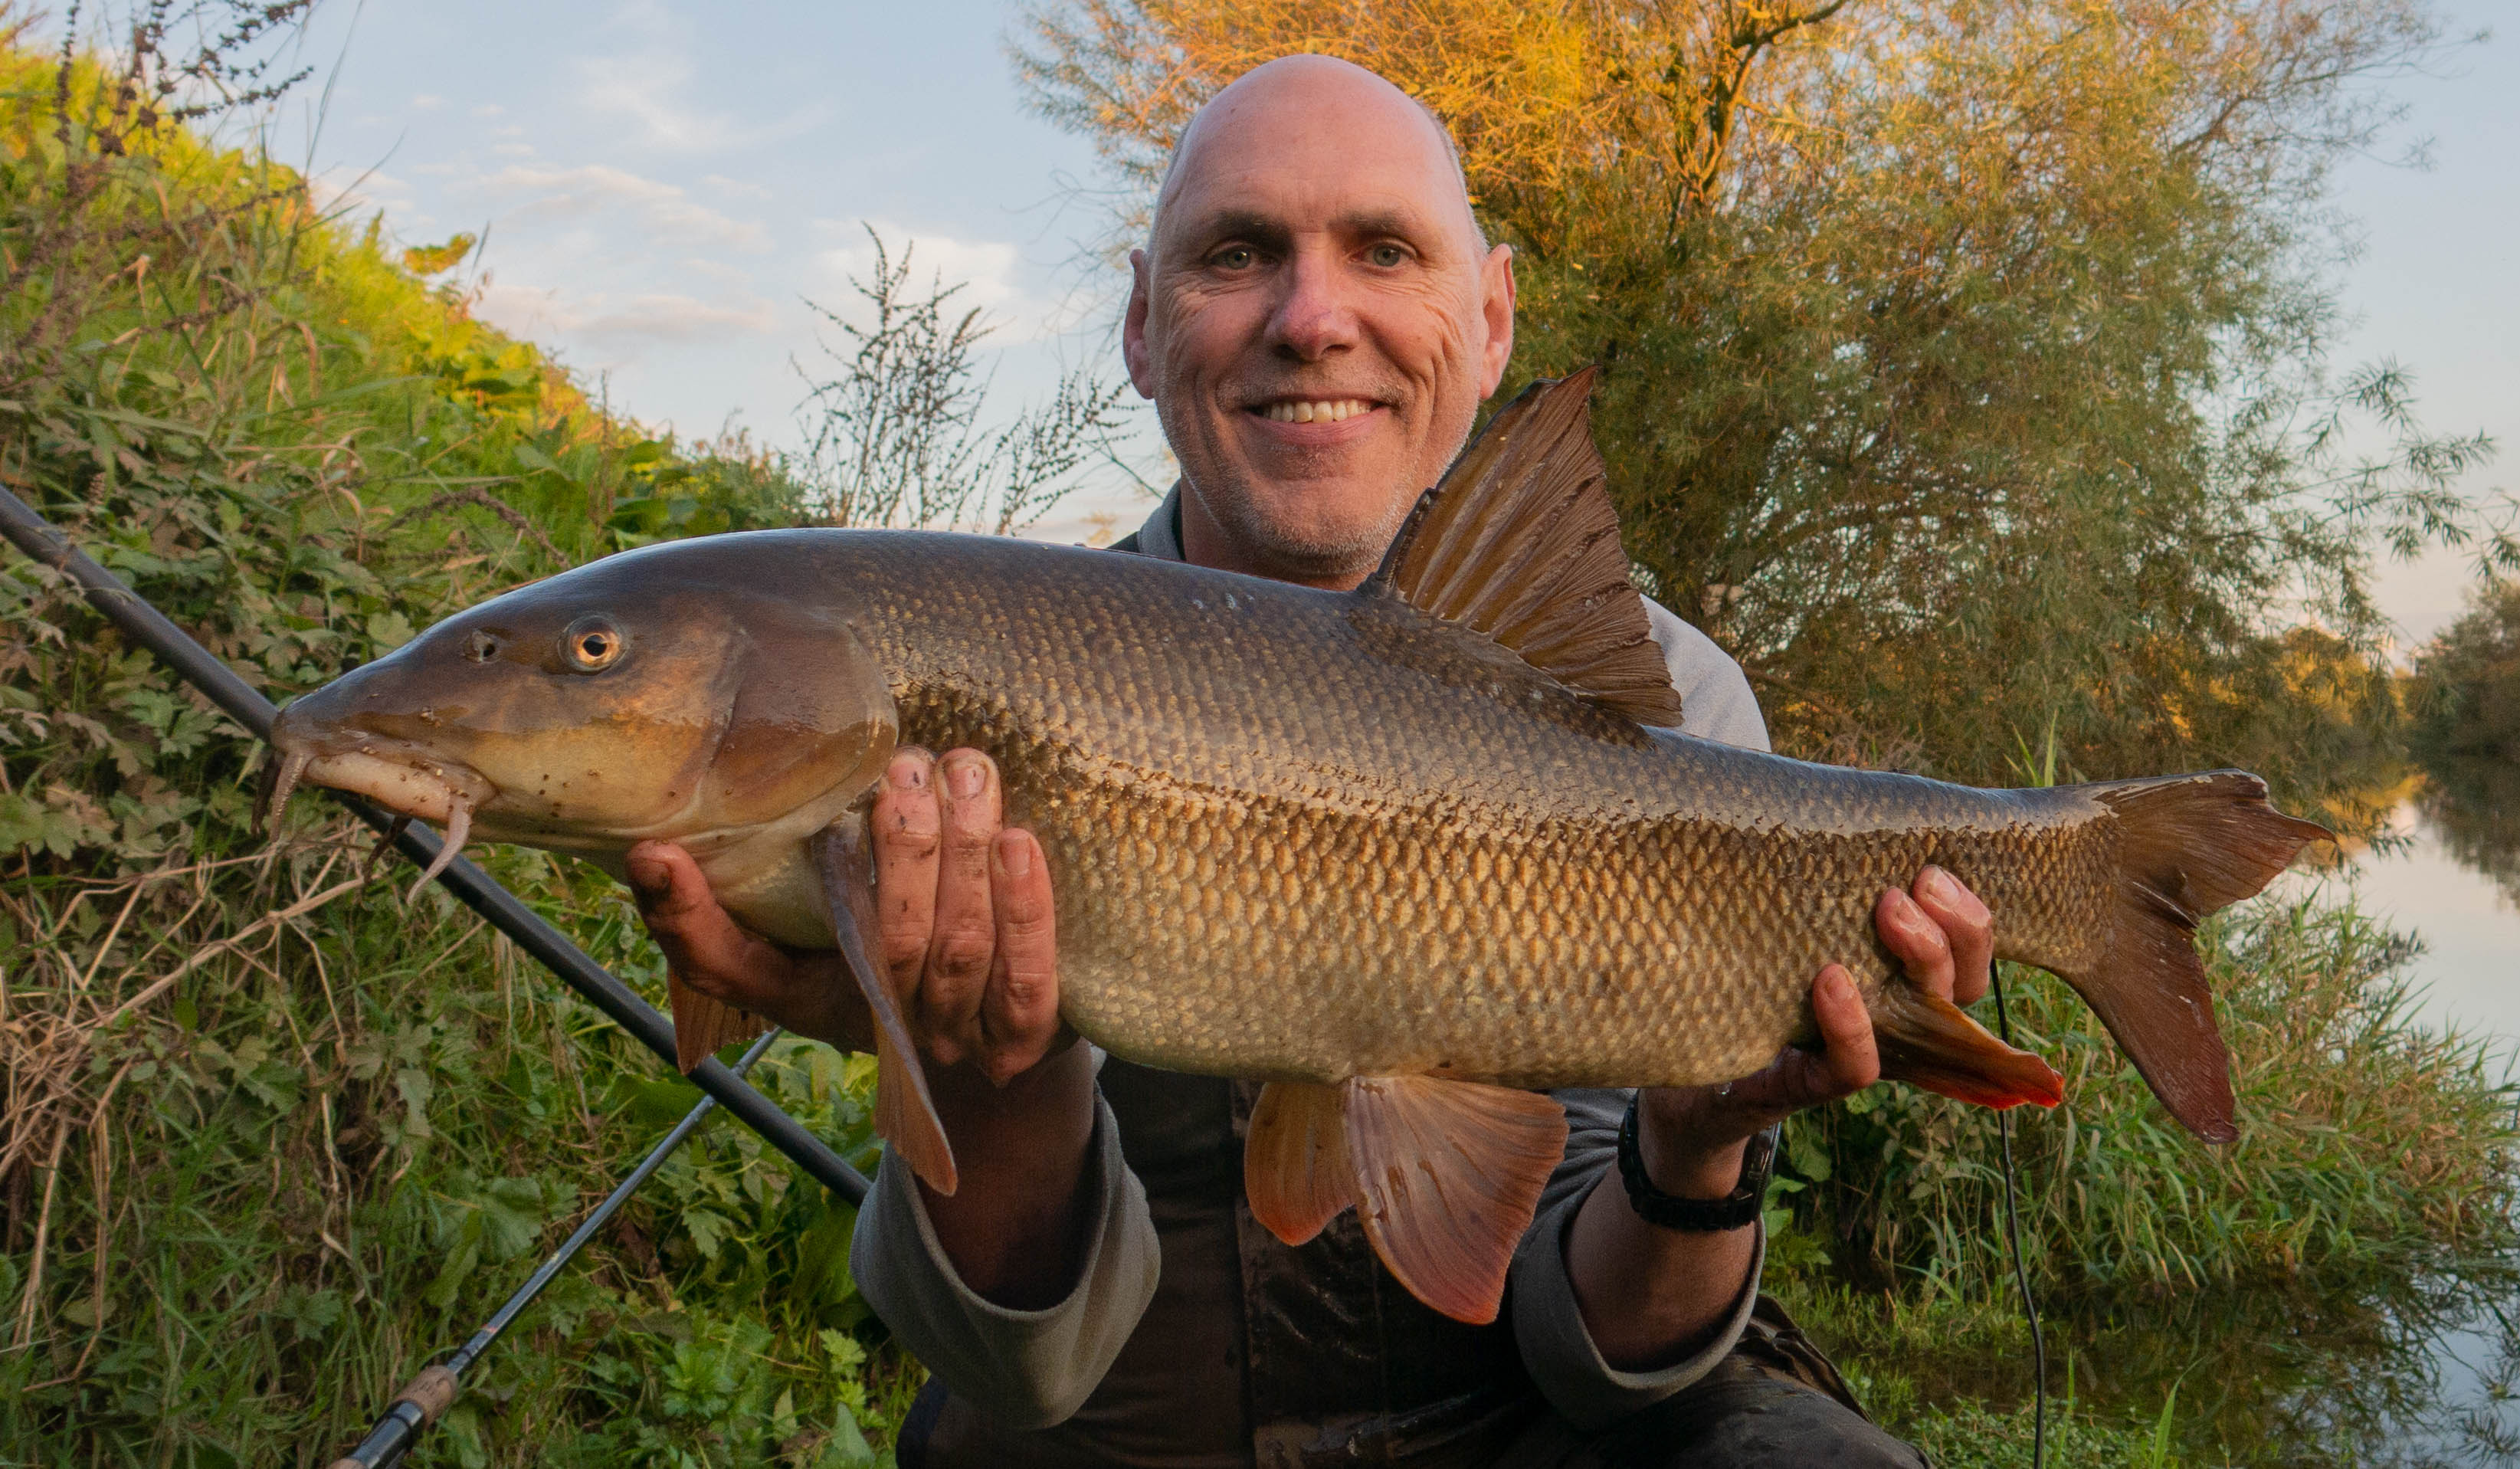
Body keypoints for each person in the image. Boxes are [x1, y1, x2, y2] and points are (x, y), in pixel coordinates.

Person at [624, 55, 1989, 1468]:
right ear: (1144, 329)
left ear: (1493, 314)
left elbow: (1613, 1369)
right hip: (1133, 1418)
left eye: (1385, 251)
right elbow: (1012, 1374)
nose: (1314, 318)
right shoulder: (1001, 673)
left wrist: (1697, 1151)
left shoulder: (1669, 703)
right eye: (1239, 254)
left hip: (1520, 1415)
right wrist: (992, 1075)